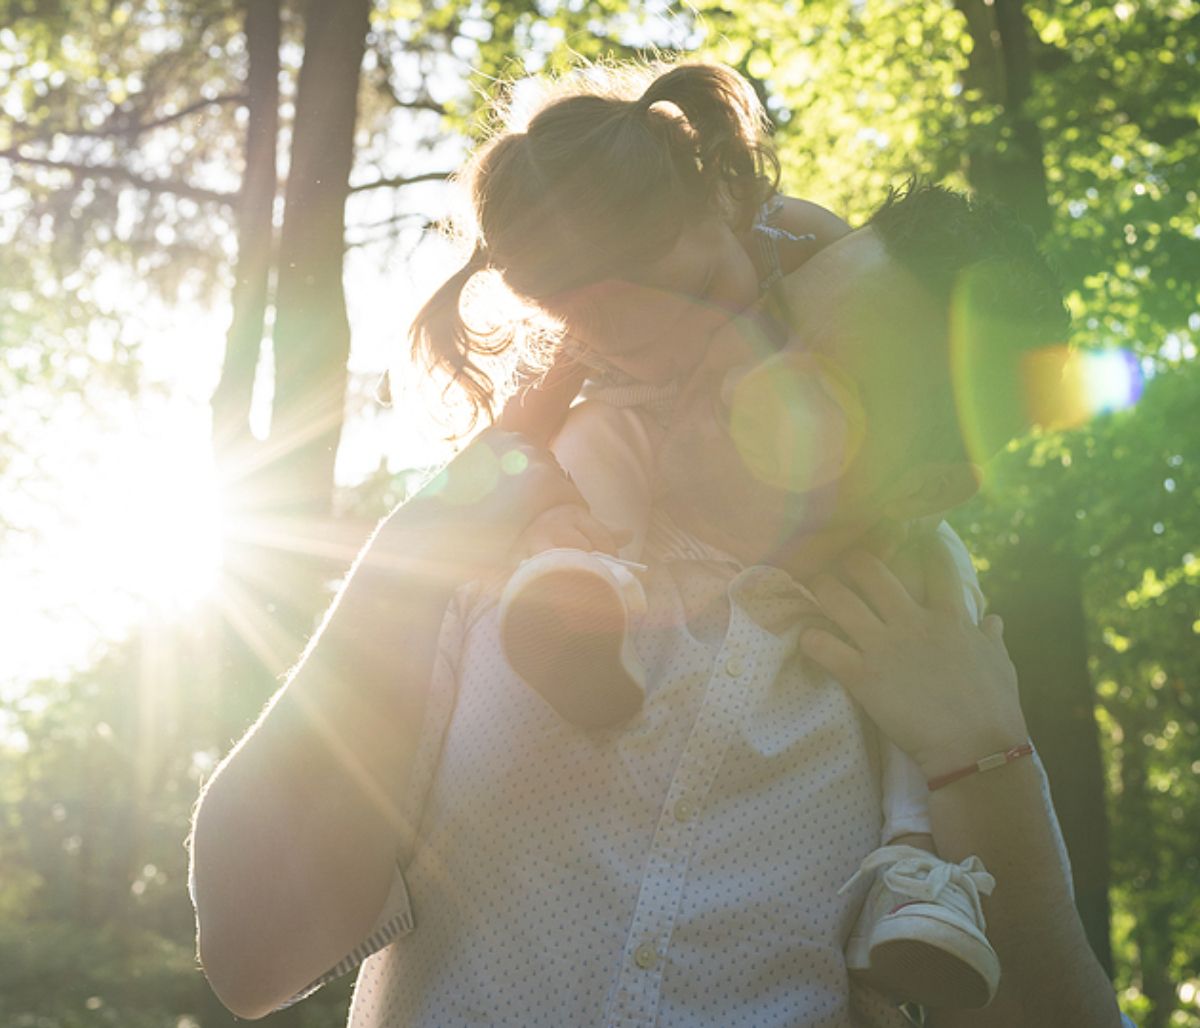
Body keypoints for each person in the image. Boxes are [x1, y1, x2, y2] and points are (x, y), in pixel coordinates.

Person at [189, 184, 1126, 1026]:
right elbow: (252, 954)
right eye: (779, 311)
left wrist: (984, 764)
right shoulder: (510, 546)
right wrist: (409, 556)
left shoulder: (932, 671)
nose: (742, 369)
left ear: (922, 489)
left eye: (826, 389)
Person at [412, 60, 999, 1009]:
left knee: (927, 580)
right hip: (646, 485)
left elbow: (886, 336)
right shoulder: (599, 362)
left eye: (683, 284)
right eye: (600, 319)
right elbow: (524, 451)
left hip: (831, 494)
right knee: (582, 482)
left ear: (721, 200)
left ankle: (916, 871)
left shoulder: (793, 232)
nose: (665, 328)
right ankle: (583, 597)